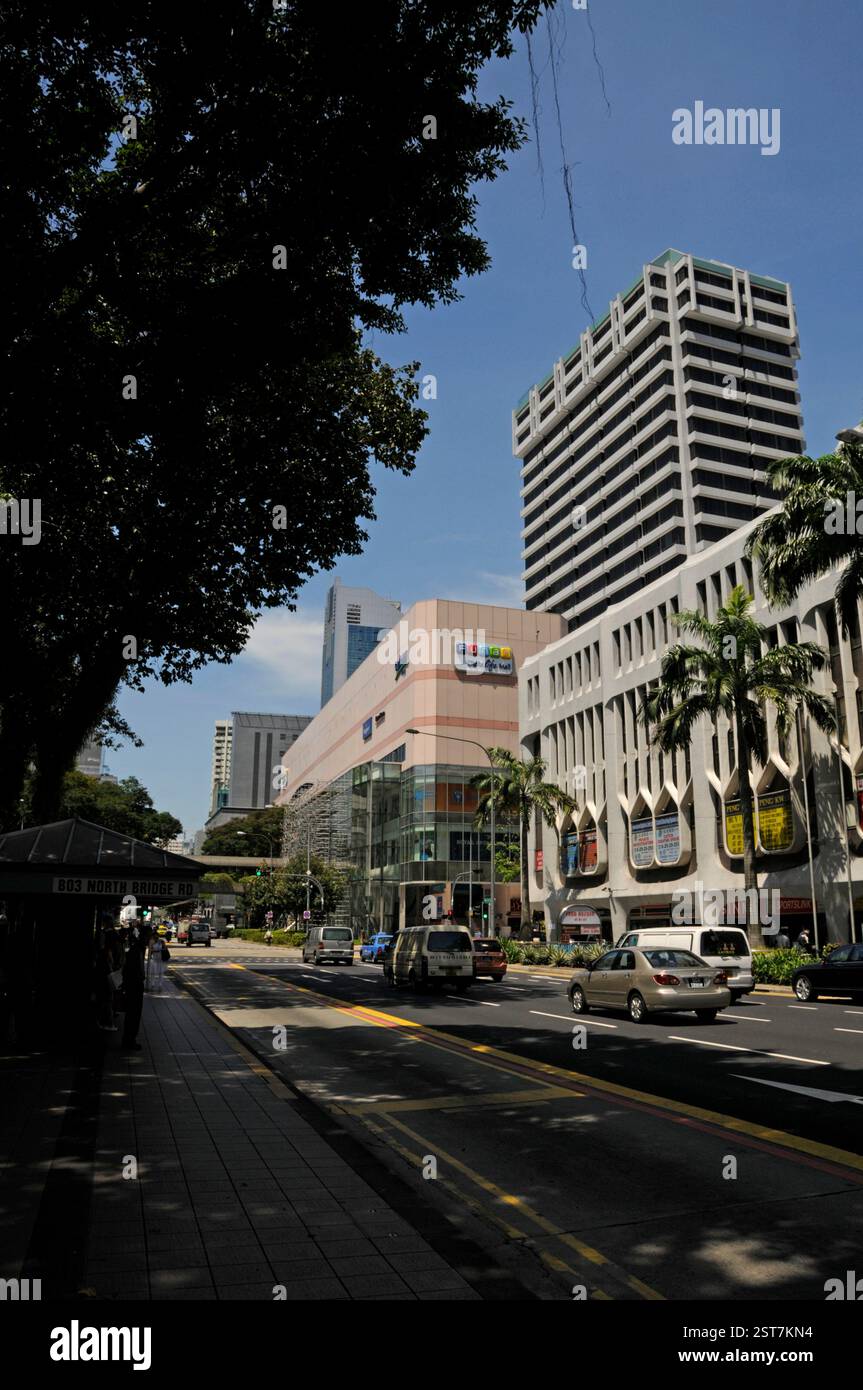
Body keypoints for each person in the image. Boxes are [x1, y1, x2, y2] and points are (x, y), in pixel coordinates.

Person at [121, 928, 146, 1050]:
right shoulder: (136, 950)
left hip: (135, 986)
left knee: (134, 1015)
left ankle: (130, 1039)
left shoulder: (138, 949)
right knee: (133, 1015)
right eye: (147, 937)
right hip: (134, 987)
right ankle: (128, 1040)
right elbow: (129, 970)